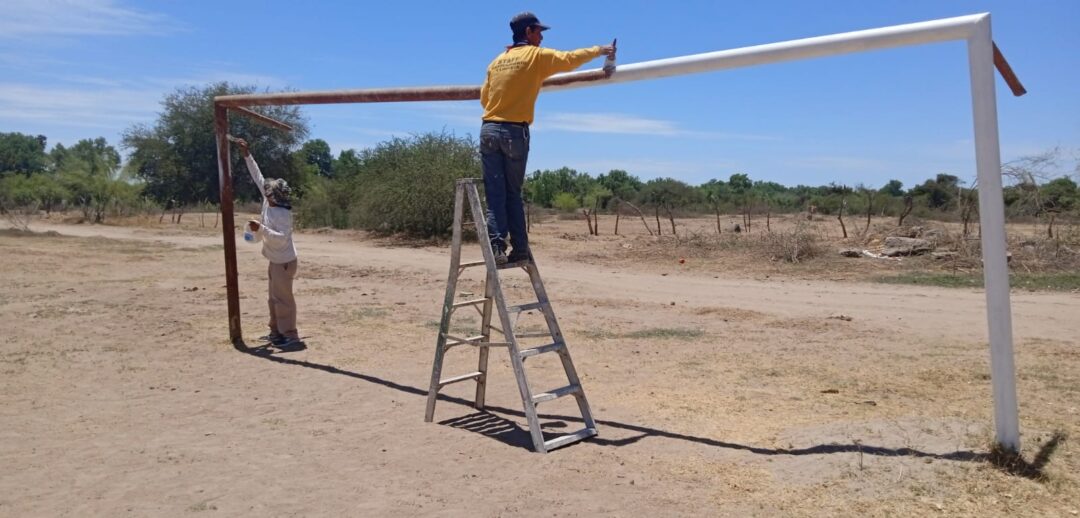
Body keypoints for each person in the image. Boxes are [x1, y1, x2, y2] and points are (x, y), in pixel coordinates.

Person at [480, 11, 616, 264]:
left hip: (488, 129)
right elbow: (569, 58)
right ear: (528, 32)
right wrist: (601, 50)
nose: (541, 36)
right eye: (539, 31)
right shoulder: (536, 56)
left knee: (495, 194)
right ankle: (520, 250)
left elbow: (484, 99)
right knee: (512, 194)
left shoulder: (497, 61)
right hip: (513, 132)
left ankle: (496, 248)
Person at [235, 138, 304, 351]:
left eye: (269, 192)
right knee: (273, 298)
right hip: (274, 260)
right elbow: (258, 176)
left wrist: (261, 229)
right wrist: (247, 154)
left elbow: (281, 237)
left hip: (284, 262)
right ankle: (276, 332)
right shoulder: (269, 202)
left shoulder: (283, 214)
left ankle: (290, 335)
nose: (265, 192)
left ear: (276, 195)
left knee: (283, 300)